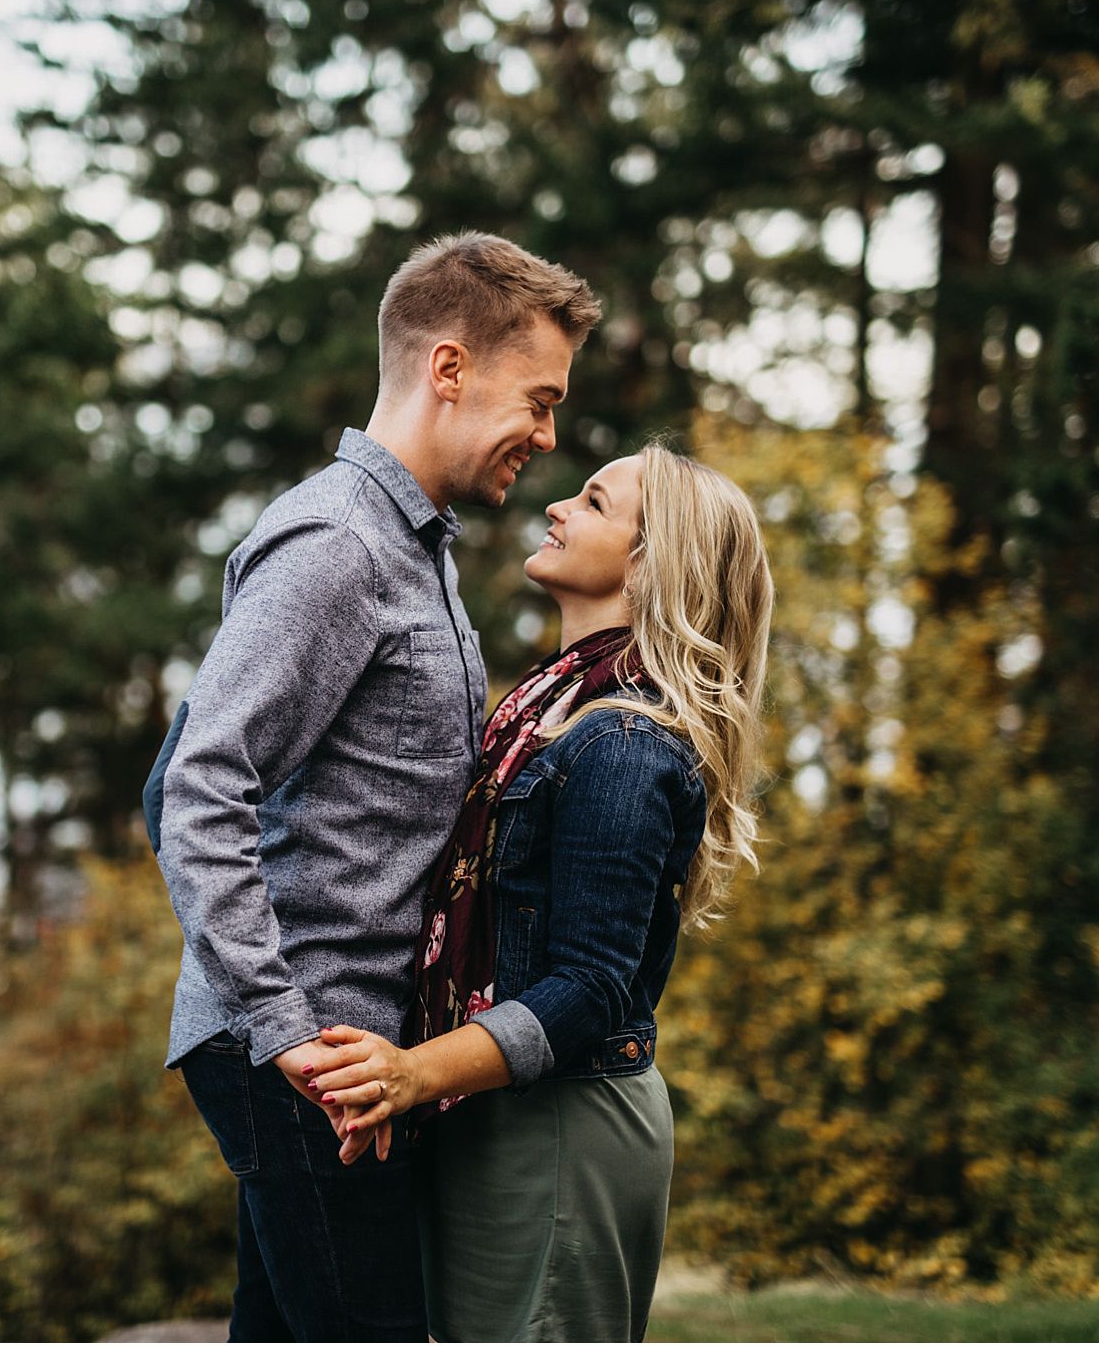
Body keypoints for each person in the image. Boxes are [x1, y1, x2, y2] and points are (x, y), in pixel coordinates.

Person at [150, 232, 602, 1341]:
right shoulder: (336, 544)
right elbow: (195, 785)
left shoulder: (415, 548)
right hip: (313, 1047)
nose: (545, 436)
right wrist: (283, 1024)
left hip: (347, 1040)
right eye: (536, 400)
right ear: (448, 369)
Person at [306, 441, 775, 1343]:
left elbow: (591, 985)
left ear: (650, 563)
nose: (558, 507)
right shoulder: (551, 709)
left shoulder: (621, 742)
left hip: (561, 1126)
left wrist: (410, 1074)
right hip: (498, 1110)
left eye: (595, 504)